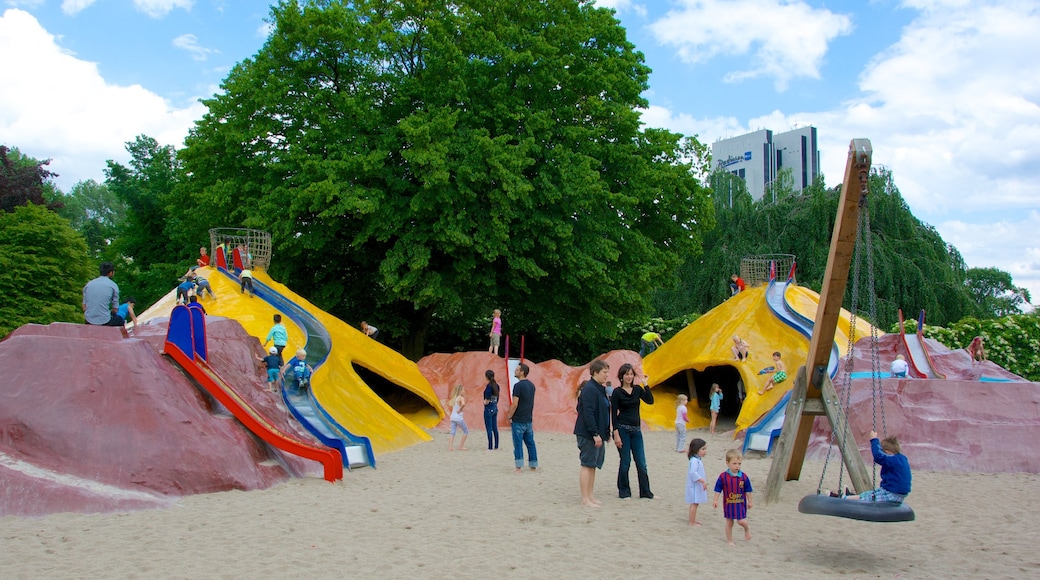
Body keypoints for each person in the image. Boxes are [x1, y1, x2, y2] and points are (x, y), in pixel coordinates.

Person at [610, 363, 654, 499]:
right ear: (621, 376)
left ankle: (645, 491)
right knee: (625, 461)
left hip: (636, 430)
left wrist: (645, 384)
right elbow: (613, 414)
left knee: (641, 462)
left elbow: (650, 400)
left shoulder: (637, 390)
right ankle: (624, 491)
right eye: (626, 374)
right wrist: (616, 433)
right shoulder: (617, 392)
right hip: (622, 429)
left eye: (631, 374)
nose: (629, 377)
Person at [574, 360, 612, 507]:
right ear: (595, 372)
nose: (606, 375)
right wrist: (595, 433)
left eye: (607, 372)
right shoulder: (589, 389)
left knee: (593, 465)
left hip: (598, 433)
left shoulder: (600, 389)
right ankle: (585, 498)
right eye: (604, 372)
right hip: (588, 433)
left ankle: (590, 495)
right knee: (587, 464)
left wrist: (605, 433)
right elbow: (588, 413)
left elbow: (604, 411)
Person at [843, 431, 912, 503]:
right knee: (870, 494)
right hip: (897, 493)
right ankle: (849, 496)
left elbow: (878, 456)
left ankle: (845, 499)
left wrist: (874, 439)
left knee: (869, 499)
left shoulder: (893, 460)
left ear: (887, 452)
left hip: (893, 494)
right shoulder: (902, 458)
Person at [714, 449, 753, 545]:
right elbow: (718, 489)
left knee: (741, 521)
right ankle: (730, 540)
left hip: (740, 503)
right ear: (727, 463)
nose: (737, 466)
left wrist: (750, 501)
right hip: (728, 504)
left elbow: (748, 490)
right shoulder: (723, 476)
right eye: (734, 463)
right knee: (729, 522)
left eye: (739, 463)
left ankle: (747, 529)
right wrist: (715, 500)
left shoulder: (743, 477)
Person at [507, 362, 538, 472]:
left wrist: (509, 415)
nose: (515, 371)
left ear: (522, 372)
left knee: (518, 444)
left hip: (518, 419)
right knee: (530, 443)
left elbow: (515, 403)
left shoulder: (518, 386)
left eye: (517, 369)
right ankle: (533, 465)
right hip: (528, 418)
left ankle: (518, 467)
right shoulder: (532, 385)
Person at [82, 262, 122, 326]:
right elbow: (115, 310)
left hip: (89, 320)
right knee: (119, 319)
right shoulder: (113, 285)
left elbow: (84, 308)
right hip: (105, 321)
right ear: (111, 272)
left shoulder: (89, 284)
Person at [686, 438, 708, 526]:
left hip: (696, 485)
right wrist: (702, 481)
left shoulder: (697, 460)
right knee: (694, 503)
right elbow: (693, 473)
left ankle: (693, 519)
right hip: (694, 485)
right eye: (703, 449)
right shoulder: (694, 461)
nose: (705, 451)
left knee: (695, 503)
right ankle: (691, 522)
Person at [447, 384, 469, 451]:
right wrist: (460, 409)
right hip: (458, 418)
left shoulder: (455, 398)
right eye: (463, 390)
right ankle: (461, 446)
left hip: (452, 417)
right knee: (466, 431)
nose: (464, 391)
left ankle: (450, 447)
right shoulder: (461, 398)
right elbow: (463, 404)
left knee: (452, 432)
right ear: (460, 391)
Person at [482, 369, 500, 451]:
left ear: (486, 377)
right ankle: (496, 445)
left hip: (488, 408)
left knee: (489, 428)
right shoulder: (496, 386)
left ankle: (490, 446)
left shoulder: (489, 386)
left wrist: (485, 402)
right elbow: (496, 397)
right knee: (495, 428)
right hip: (495, 407)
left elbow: (487, 399)